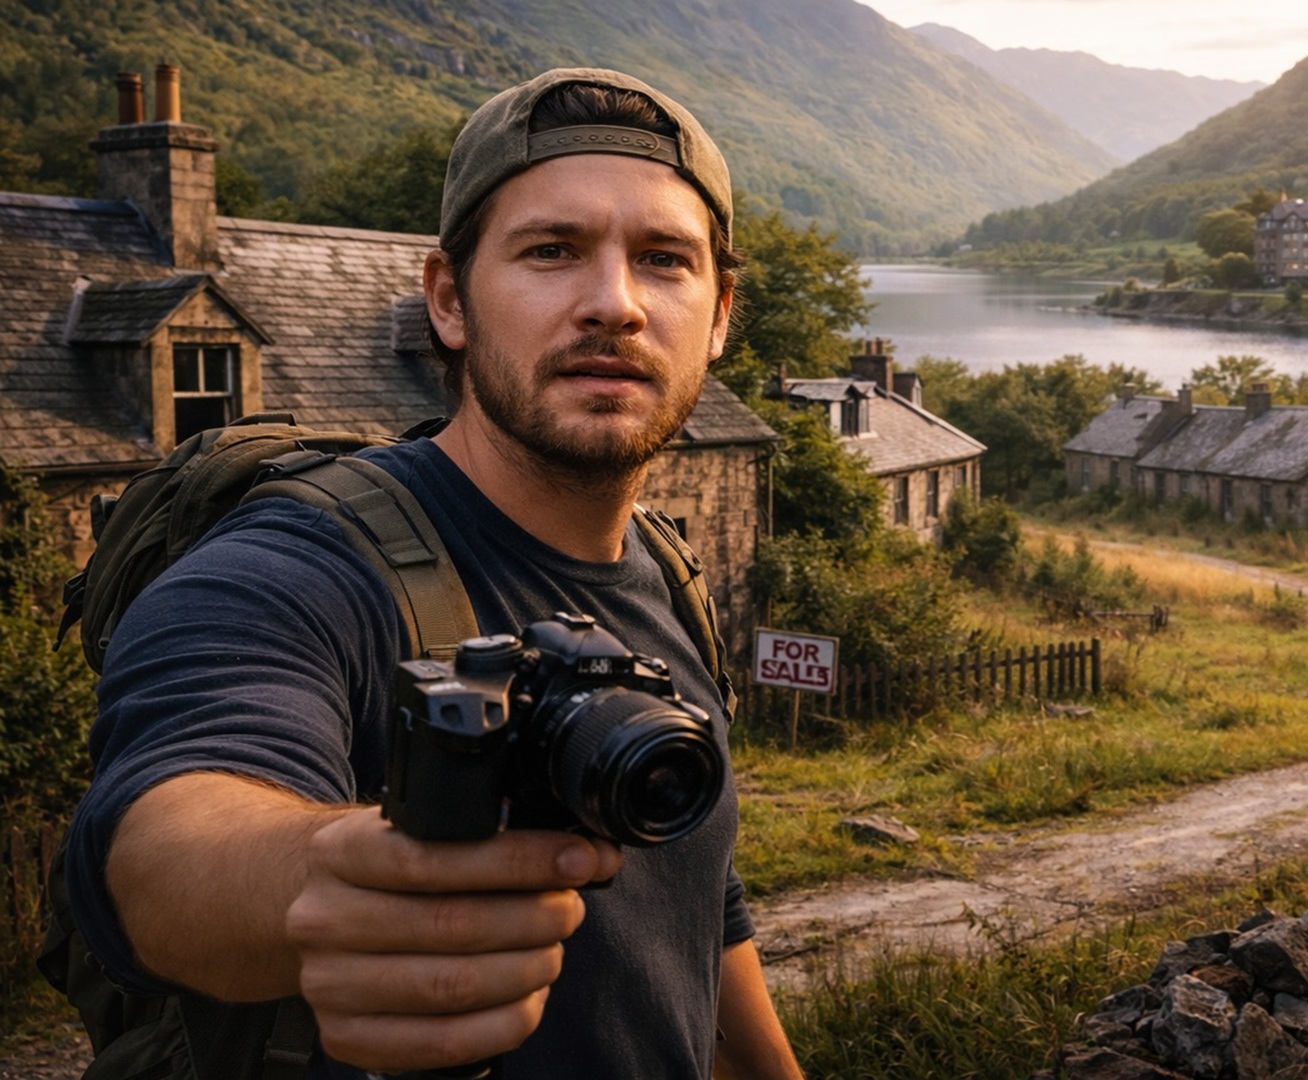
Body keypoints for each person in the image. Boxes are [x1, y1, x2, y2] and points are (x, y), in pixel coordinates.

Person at [65, 68, 805, 1078]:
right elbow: (161, 841)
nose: (613, 305)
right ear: (450, 301)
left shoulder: (668, 578)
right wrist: (332, 877)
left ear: (718, 317)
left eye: (663, 260)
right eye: (551, 252)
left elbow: (693, 900)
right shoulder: (300, 568)